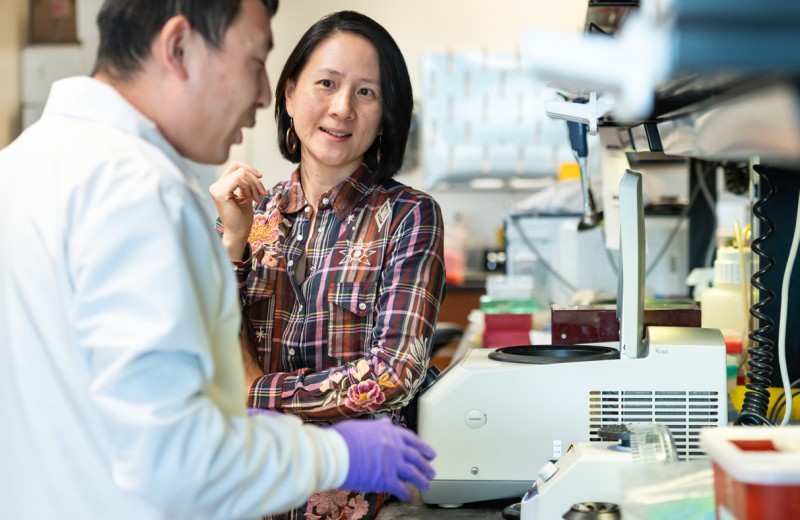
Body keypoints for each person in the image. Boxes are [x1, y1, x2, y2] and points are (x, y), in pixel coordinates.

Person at [0, 1, 436, 518]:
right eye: (255, 61)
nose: (260, 94)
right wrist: (336, 452)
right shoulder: (147, 194)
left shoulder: (19, 167)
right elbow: (182, 452)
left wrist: (259, 394)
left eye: (366, 92)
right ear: (179, 46)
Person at [210, 10, 446, 519]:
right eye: (327, 83)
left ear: (387, 113)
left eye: (366, 92)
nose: (342, 108)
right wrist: (231, 242)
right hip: (253, 493)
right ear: (290, 94)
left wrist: (259, 392)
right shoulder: (250, 217)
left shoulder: (409, 216)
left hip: (364, 501)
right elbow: (204, 360)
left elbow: (393, 374)